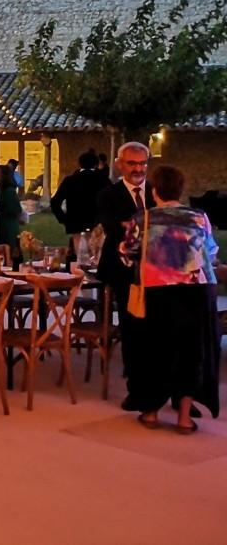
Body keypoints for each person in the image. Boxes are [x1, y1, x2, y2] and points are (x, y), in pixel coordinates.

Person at [128, 165, 220, 431]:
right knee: (191, 351)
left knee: (155, 349)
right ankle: (183, 416)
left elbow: (128, 251)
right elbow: (210, 250)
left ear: (154, 191)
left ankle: (152, 412)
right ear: (181, 189)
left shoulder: (143, 219)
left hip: (158, 290)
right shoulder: (199, 217)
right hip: (196, 291)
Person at [96, 141, 156, 411]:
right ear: (120, 164)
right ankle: (136, 389)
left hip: (157, 270)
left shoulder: (157, 192)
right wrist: (143, 226)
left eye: (142, 163)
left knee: (159, 329)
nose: (138, 169)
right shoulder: (109, 194)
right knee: (132, 326)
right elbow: (113, 228)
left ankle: (169, 389)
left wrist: (133, 225)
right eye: (132, 163)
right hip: (122, 270)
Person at [51, 150, 112, 235]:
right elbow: (113, 202)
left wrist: (64, 219)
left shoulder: (70, 181)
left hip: (75, 225)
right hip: (98, 226)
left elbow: (55, 202)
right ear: (96, 164)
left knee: (77, 247)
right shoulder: (104, 181)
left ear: (79, 164)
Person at [0, 165, 23, 266]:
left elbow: (16, 209)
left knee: (10, 248)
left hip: (9, 225)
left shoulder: (9, 191)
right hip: (0, 223)